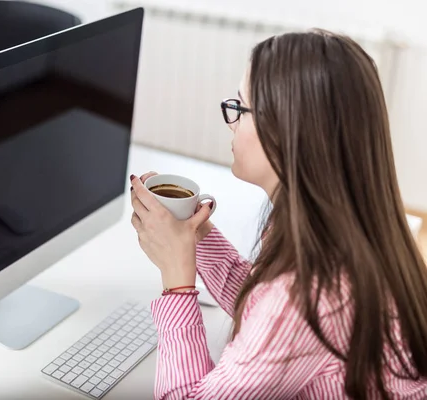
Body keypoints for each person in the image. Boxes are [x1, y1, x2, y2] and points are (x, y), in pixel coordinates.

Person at [129, 29, 427, 399]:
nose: (231, 121)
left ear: (287, 130)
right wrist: (195, 234)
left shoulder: (313, 290)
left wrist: (177, 282)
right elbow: (259, 303)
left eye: (240, 107)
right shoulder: (329, 222)